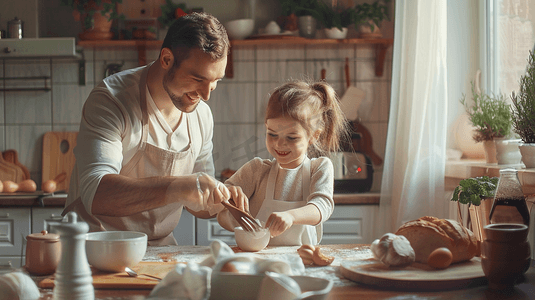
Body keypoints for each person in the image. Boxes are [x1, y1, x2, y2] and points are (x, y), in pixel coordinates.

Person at [63, 12, 241, 246]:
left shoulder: (201, 116)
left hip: (159, 249)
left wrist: (223, 200)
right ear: (166, 59)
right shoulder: (112, 101)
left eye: (215, 81)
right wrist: (179, 186)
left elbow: (197, 204)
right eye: (198, 79)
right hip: (95, 246)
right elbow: (96, 193)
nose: (206, 95)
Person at [217, 80, 349, 246]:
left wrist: (291, 216)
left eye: (291, 137)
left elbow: (322, 207)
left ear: (314, 136)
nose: (279, 144)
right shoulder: (256, 170)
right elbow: (220, 211)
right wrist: (227, 201)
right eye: (272, 134)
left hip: (302, 262)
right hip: (259, 263)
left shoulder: (320, 168)